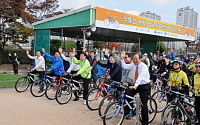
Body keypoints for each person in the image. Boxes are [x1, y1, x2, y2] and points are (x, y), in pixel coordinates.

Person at [121, 51, 150, 125]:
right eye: (133, 59)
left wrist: (135, 85)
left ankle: (144, 123)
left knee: (144, 106)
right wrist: (122, 58)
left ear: (140, 59)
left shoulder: (144, 66)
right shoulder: (133, 65)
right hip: (136, 85)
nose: (134, 61)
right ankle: (130, 111)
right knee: (127, 94)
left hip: (144, 86)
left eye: (136, 59)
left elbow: (140, 77)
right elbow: (124, 66)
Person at [194, 58, 200, 124]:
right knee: (197, 113)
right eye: (196, 66)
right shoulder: (195, 76)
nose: (198, 68)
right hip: (197, 96)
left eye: (199, 66)